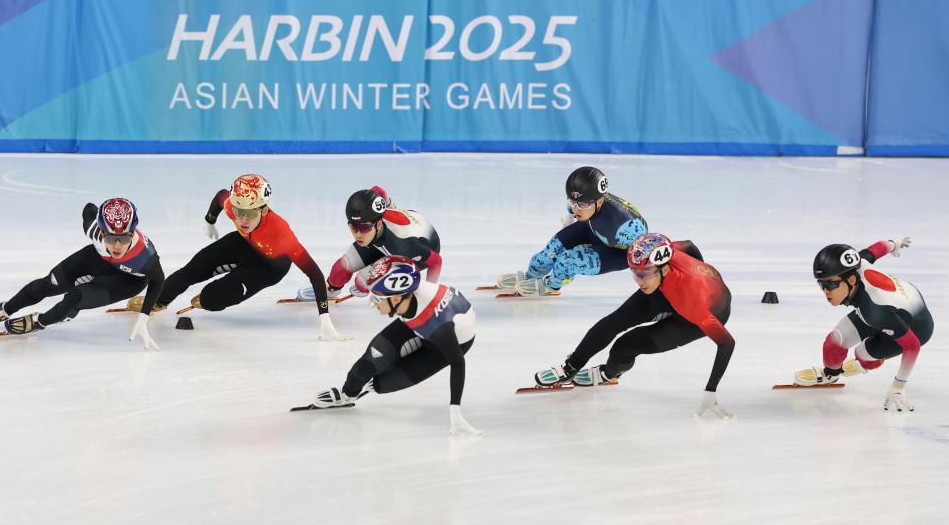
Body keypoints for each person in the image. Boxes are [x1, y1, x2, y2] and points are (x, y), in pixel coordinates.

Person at [533, 233, 735, 418]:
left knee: (626, 345)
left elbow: (727, 343)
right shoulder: (661, 253)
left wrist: (710, 391)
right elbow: (689, 245)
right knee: (617, 320)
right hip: (669, 287)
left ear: (664, 268)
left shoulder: (695, 306)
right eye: (635, 273)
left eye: (644, 274)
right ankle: (571, 366)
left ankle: (609, 373)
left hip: (694, 316)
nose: (639, 281)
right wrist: (696, 269)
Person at [134, 173, 346, 340]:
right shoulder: (234, 207)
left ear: (263, 210)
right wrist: (210, 220)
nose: (243, 219)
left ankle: (209, 297)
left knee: (209, 299)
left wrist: (325, 318)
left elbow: (314, 273)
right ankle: (159, 301)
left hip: (268, 269)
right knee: (192, 270)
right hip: (243, 245)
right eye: (238, 211)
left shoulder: (281, 234)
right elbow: (221, 196)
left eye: (250, 213)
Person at [310, 256, 481, 436]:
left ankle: (370, 385)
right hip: (422, 322)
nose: (372, 303)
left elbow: (457, 362)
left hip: (445, 344)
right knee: (365, 367)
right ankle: (347, 395)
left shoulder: (438, 326)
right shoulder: (406, 294)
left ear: (397, 298)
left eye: (377, 298)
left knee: (381, 384)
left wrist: (455, 412)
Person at [0, 198, 164, 348]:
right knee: (47, 284)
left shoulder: (144, 257)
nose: (117, 245)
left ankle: (38, 321)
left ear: (133, 232)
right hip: (98, 260)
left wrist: (143, 317)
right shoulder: (94, 230)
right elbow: (89, 209)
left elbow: (158, 280)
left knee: (74, 298)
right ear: (102, 232)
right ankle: (3, 310)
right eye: (111, 238)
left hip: (129, 279)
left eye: (124, 238)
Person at [794, 237, 931, 411]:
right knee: (834, 342)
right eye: (821, 283)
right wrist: (895, 243)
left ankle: (867, 362)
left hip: (916, 327)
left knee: (862, 354)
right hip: (891, 307)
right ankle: (831, 374)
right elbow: (878, 248)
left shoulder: (876, 312)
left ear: (851, 280)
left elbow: (912, 345)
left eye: (831, 284)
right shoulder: (855, 264)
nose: (825, 291)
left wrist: (898, 386)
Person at [496, 166, 648, 297]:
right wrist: (569, 222)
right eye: (573, 202)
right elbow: (575, 206)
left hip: (619, 252)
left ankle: (551, 286)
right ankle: (531, 275)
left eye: (582, 204)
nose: (576, 209)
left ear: (600, 201)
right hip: (594, 229)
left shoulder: (626, 227)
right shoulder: (585, 200)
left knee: (568, 260)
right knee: (551, 251)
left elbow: (647, 252)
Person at [298, 186, 442, 301]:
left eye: (363, 228)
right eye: (353, 226)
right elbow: (378, 190)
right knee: (341, 268)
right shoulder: (372, 218)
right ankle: (331, 290)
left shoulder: (404, 245)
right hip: (389, 231)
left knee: (362, 282)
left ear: (378, 224)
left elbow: (436, 262)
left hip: (420, 247)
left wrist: (430, 294)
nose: (357, 234)